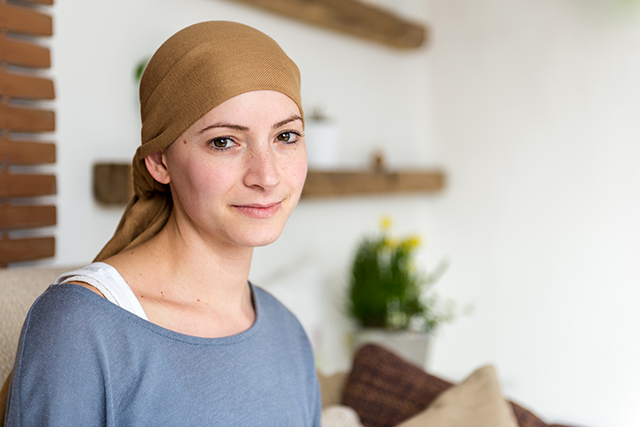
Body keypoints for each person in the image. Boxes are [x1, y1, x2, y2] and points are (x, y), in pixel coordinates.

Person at [4, 21, 321, 426]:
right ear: (159, 161)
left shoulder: (287, 334)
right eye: (224, 141)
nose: (267, 175)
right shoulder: (80, 329)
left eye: (287, 137)